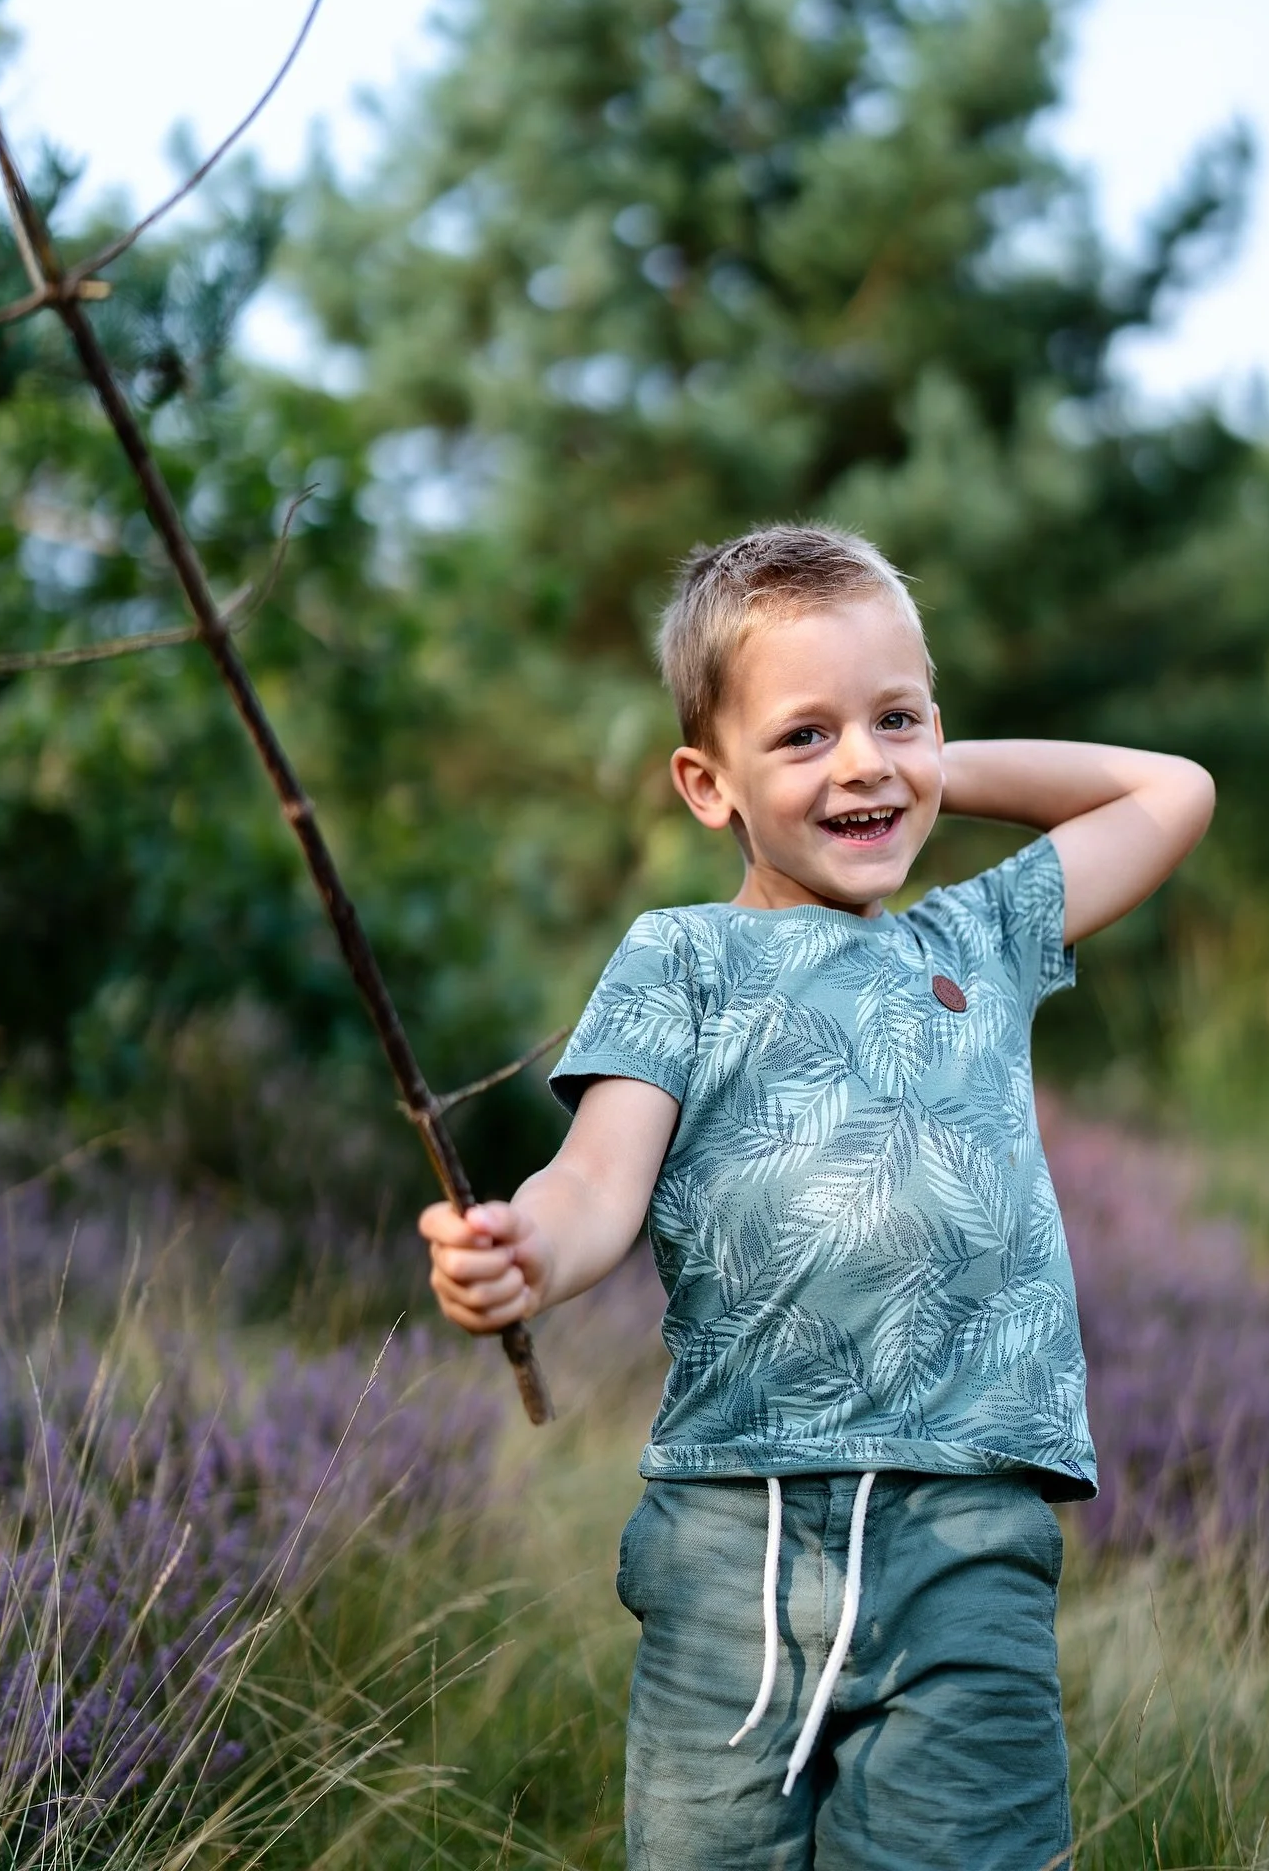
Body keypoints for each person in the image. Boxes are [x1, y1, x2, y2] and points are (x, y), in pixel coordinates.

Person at [420, 524, 1215, 1870]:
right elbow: (597, 1178)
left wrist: (919, 765)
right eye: (803, 737)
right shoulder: (682, 960)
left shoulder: (982, 936)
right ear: (706, 783)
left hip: (969, 1531)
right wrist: (525, 1251)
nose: (860, 764)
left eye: (896, 716)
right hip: (735, 1538)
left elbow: (1171, 791)